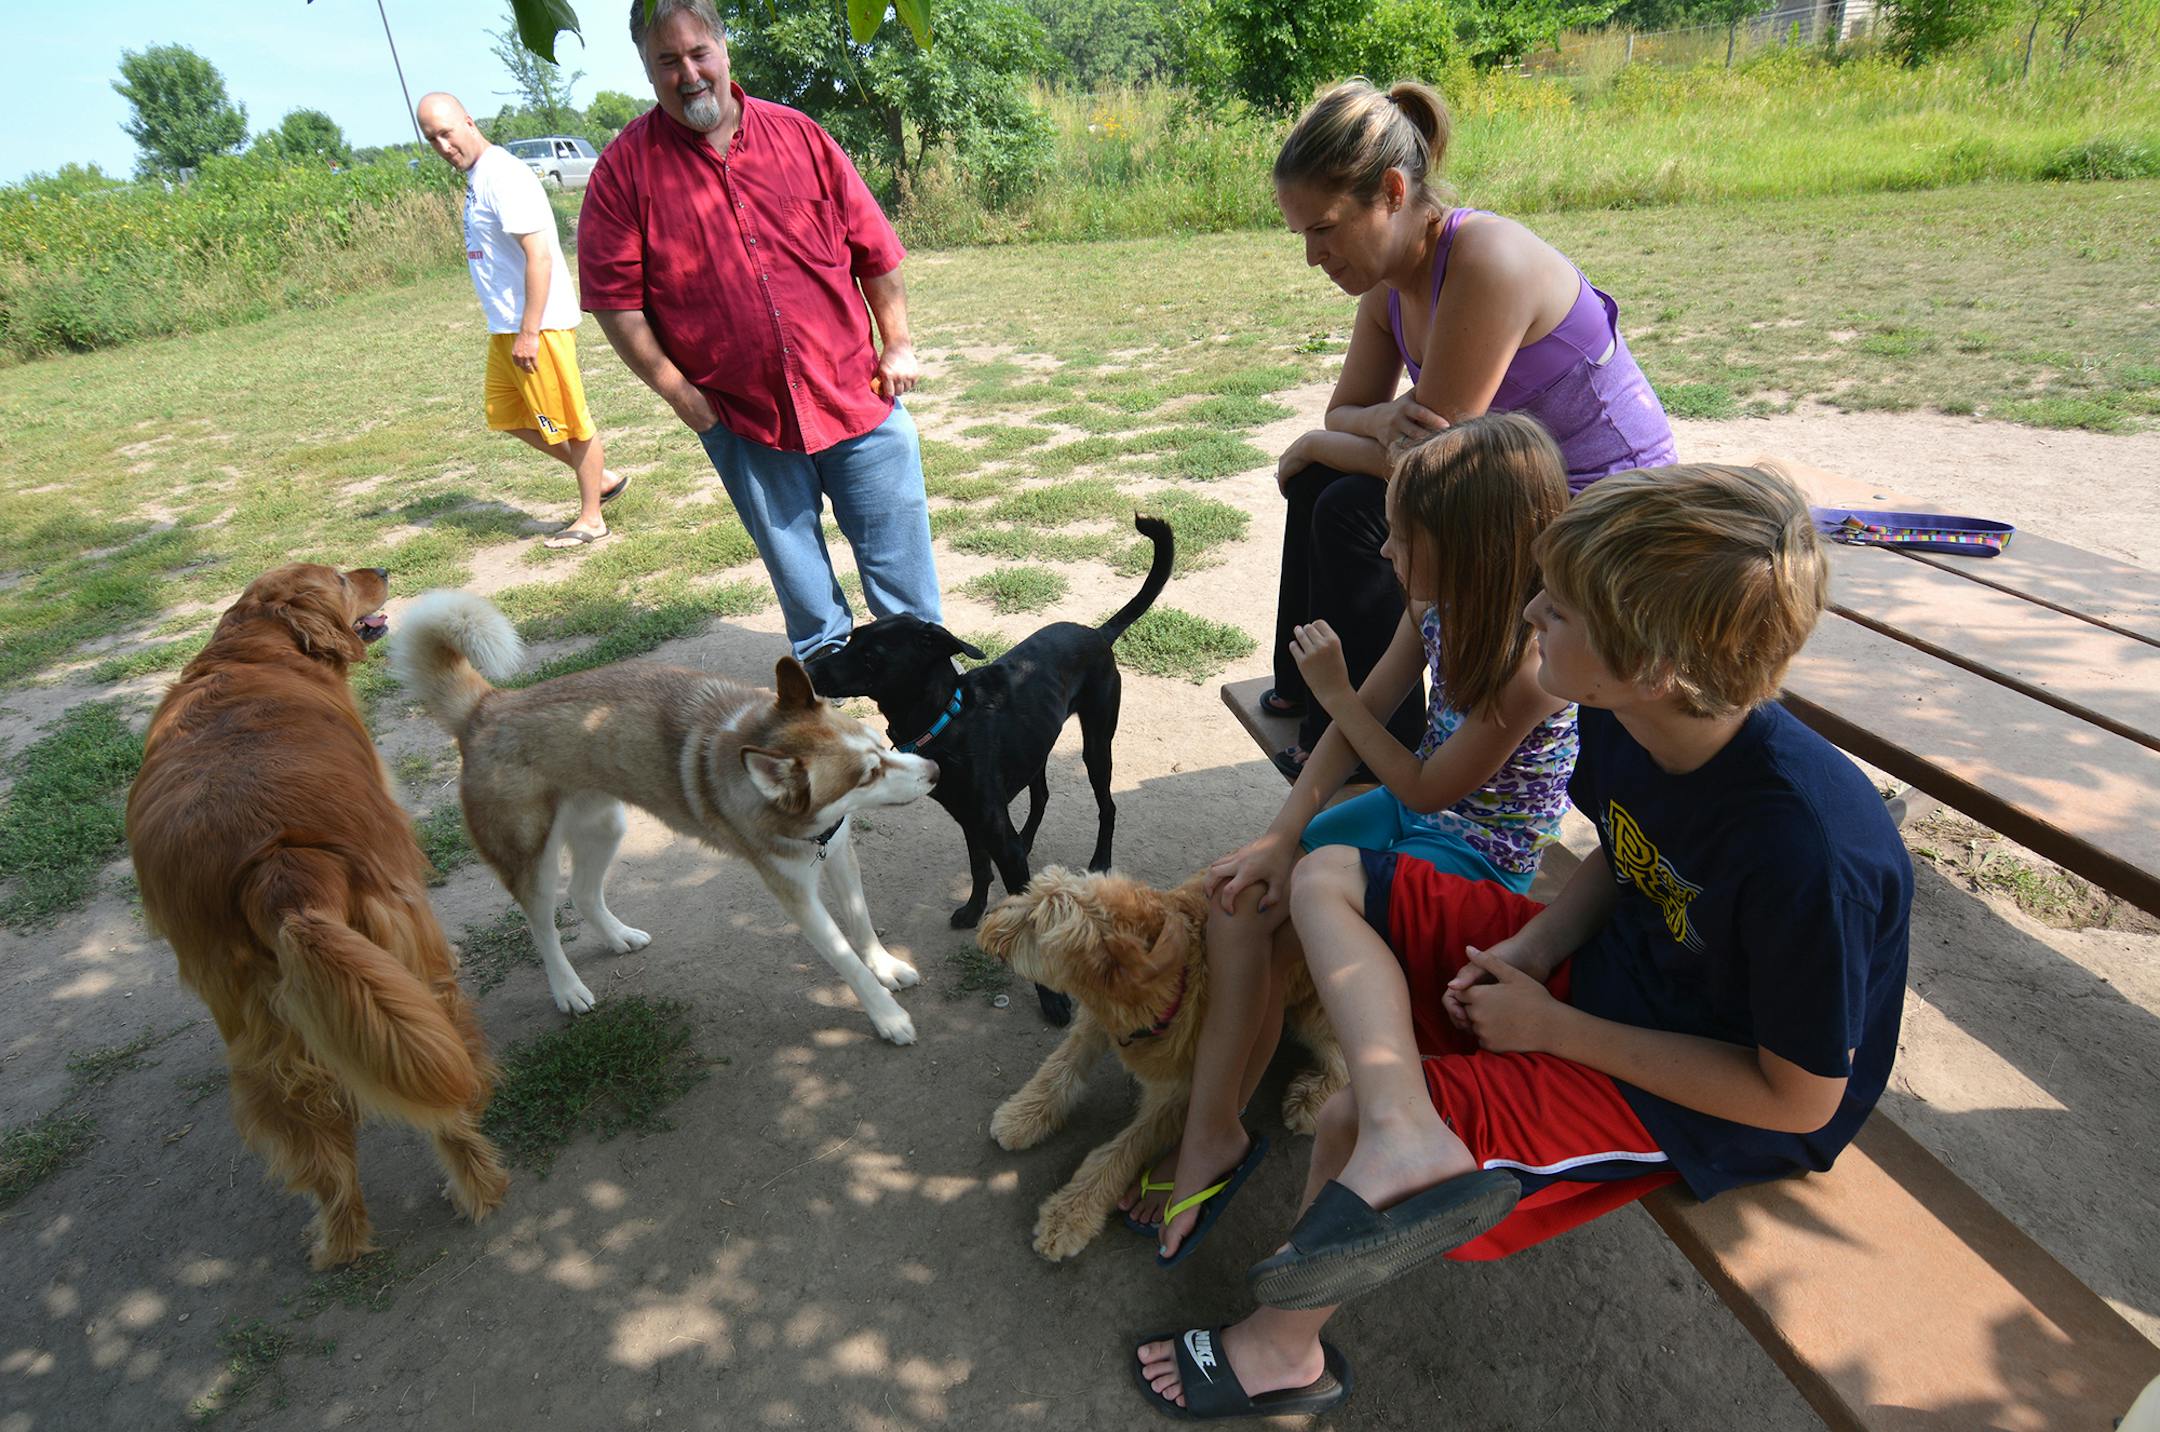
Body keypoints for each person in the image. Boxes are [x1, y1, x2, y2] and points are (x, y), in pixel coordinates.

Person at [1129, 463, 1913, 1419]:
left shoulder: (1807, 853)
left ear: (1653, 668)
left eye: (1562, 609)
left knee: (1342, 1125)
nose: (1533, 609)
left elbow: (1798, 1098)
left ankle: (1282, 1350)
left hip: (1710, 1088)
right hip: (1609, 974)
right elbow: (1629, 849)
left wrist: (1554, 1029)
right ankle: (1404, 1124)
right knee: (1325, 875)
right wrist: (1535, 950)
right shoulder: (1633, 718)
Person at [1126, 413, 1578, 1265]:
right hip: (1412, 811)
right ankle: (1213, 1130)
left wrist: (1331, 693)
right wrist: (1279, 836)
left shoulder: (1532, 665)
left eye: (1403, 537)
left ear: (1469, 547)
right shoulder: (1435, 602)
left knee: (1294, 912)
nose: (1386, 550)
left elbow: (1425, 782)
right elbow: (1365, 720)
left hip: (1477, 854)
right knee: (1241, 899)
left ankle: (1253, 1130)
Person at [1265, 79, 1677, 778]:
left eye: (1324, 229)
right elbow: (1350, 414)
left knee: (1350, 508)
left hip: (1607, 511)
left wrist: (1313, 443)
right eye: (1304, 235)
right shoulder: (1388, 289)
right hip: (1513, 486)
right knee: (1321, 484)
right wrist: (1369, 422)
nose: (1313, 255)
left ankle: (1375, 742)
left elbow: (1432, 466)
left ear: (1392, 192)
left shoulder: (1487, 260)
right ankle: (1309, 692)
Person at [577, 0, 940, 661]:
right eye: (668, 60)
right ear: (646, 68)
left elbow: (875, 251)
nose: (689, 74)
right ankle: (824, 704)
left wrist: (898, 343)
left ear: (724, 48)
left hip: (856, 396)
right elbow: (615, 305)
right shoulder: (622, 173)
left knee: (908, 595)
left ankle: (929, 696)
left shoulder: (801, 137)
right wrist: (680, 395)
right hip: (744, 421)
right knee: (811, 610)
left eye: (699, 53)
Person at [415, 92, 627, 549]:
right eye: (432, 139)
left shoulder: (503, 175)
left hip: (537, 325)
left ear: (468, 121)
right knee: (507, 415)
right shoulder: (479, 176)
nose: (443, 146)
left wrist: (530, 331)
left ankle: (592, 519)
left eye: (446, 133)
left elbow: (540, 256)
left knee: (571, 422)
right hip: (506, 326)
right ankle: (601, 477)